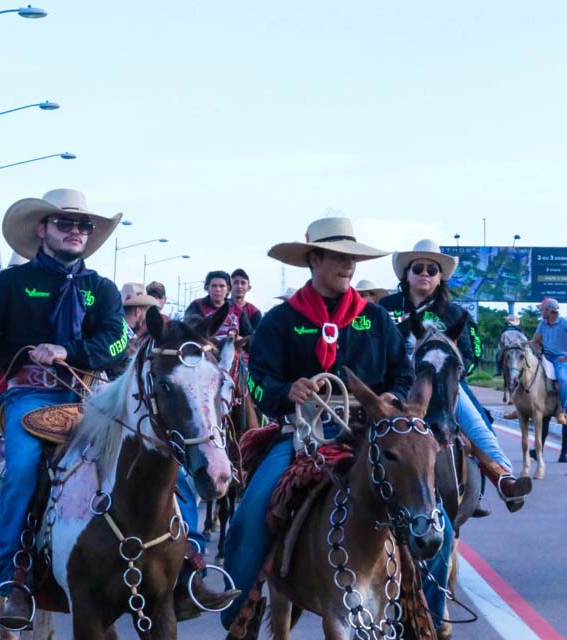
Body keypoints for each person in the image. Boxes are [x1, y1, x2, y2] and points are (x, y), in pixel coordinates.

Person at [0, 188, 234, 627]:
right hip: (29, 395)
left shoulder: (100, 289)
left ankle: (189, 563)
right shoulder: (12, 284)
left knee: (167, 458)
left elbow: (115, 340)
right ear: (42, 229)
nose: (76, 231)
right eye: (65, 223)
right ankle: (10, 579)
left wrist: (67, 351)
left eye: (83, 225)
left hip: (92, 395)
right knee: (22, 468)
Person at [222, 216, 415, 635]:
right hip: (301, 435)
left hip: (370, 437)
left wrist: (392, 398)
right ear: (314, 259)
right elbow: (256, 379)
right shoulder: (280, 320)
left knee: (429, 514)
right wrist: (286, 389)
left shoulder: (376, 319)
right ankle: (238, 613)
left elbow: (404, 373)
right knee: (251, 516)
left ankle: (425, 616)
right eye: (337, 257)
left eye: (352, 258)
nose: (348, 265)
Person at [379, 239, 531, 512]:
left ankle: (502, 481)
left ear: (440, 278)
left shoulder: (454, 313)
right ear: (406, 274)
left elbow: (471, 354)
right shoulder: (384, 308)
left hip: (445, 384)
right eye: (418, 268)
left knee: (480, 423)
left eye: (432, 270)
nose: (425, 273)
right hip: (396, 384)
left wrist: (453, 376)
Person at [185, 270, 254, 338]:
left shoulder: (237, 309)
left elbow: (250, 335)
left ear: (228, 289)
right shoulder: (197, 305)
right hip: (205, 344)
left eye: (222, 286)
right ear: (207, 288)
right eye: (214, 286)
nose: (218, 289)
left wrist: (241, 339)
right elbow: (193, 329)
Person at [533, 297, 567, 425]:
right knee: (525, 370)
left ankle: (562, 411)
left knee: (563, 379)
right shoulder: (542, 324)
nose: (541, 312)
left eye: (542, 310)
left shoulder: (564, 323)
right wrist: (536, 352)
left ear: (549, 311)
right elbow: (535, 341)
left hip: (560, 358)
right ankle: (520, 407)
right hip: (545, 357)